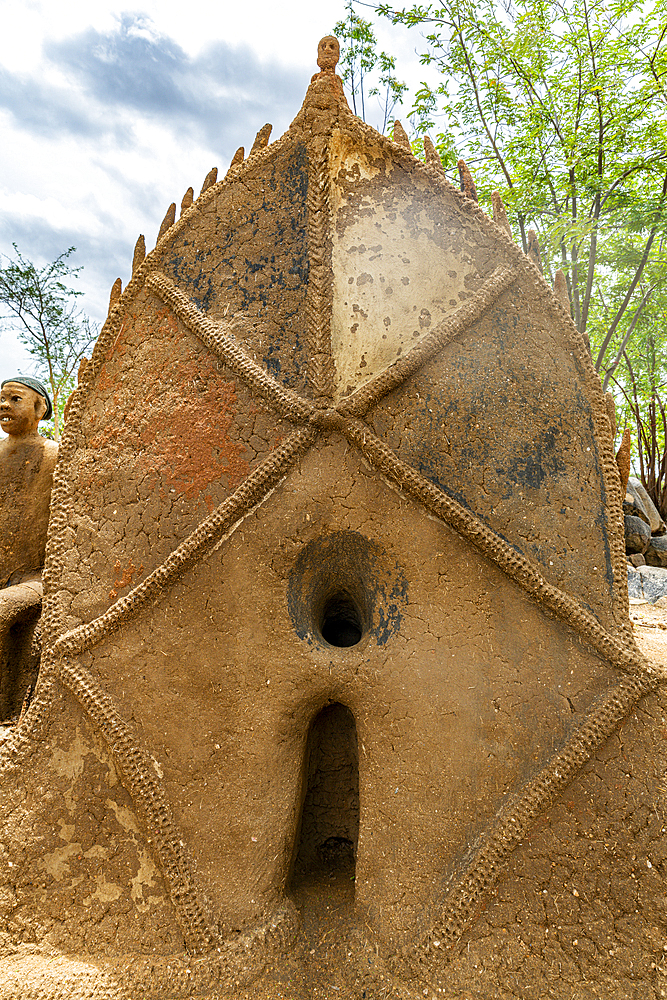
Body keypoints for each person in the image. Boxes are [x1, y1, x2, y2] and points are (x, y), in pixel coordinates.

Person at [0, 378, 58, 720]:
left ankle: (9, 715)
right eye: (1, 398)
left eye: (15, 398)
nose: (4, 405)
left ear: (39, 409)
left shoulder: (55, 456)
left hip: (35, 578)